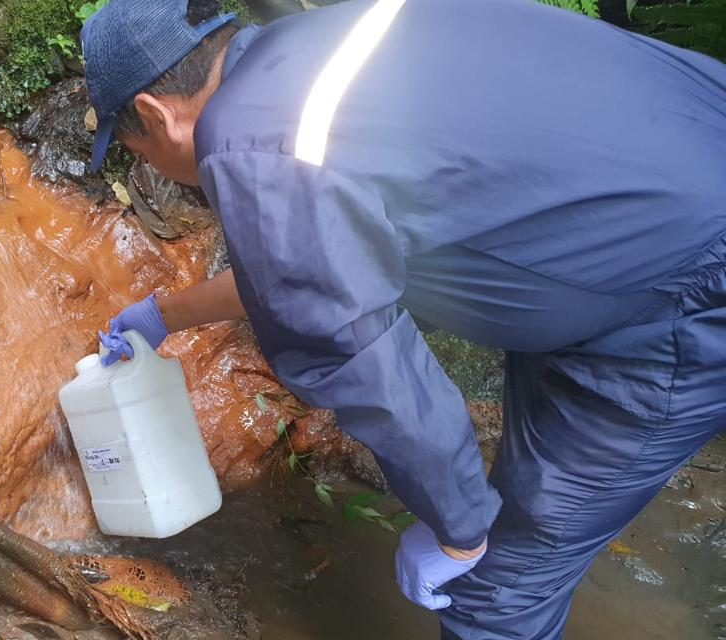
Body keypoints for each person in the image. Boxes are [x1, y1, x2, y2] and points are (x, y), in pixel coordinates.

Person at [81, 0, 726, 637]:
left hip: (678, 297)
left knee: (496, 591)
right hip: (667, 181)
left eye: (133, 150)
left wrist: (461, 528)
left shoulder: (252, 148)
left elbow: (364, 360)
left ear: (155, 113)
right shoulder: (319, 47)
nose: (144, 167)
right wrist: (163, 314)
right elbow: (308, 270)